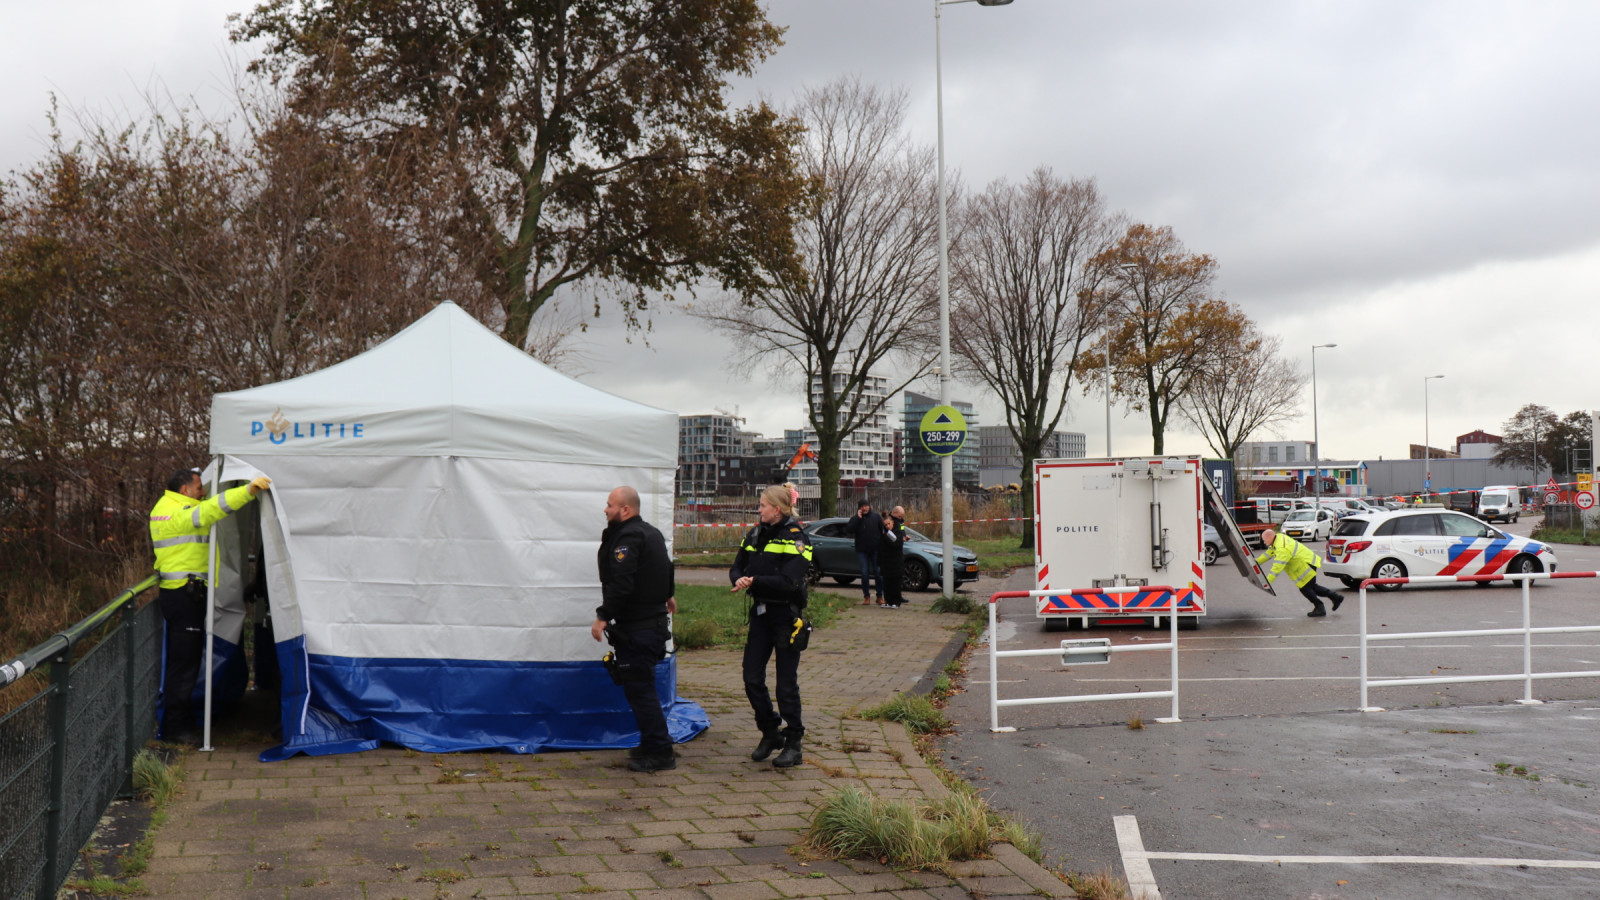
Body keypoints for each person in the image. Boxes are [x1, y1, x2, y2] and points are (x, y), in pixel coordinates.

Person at [149, 467, 271, 743]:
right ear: (184, 490)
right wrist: (247, 490)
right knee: (185, 666)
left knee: (185, 663)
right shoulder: (178, 512)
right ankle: (175, 730)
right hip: (184, 595)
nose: (203, 493)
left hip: (182, 594)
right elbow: (210, 511)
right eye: (199, 488)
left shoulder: (171, 505)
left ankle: (176, 725)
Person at [592, 486, 678, 773]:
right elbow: (666, 567)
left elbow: (622, 582)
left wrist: (603, 616)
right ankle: (652, 743)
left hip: (639, 628)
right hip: (650, 626)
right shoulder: (650, 533)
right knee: (642, 690)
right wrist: (668, 594)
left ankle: (661, 753)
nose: (606, 509)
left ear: (625, 509)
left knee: (641, 692)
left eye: (610, 505)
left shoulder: (627, 537)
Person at [730, 483, 813, 768]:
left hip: (786, 617)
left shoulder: (797, 538)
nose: (759, 509)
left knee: (785, 684)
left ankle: (794, 743)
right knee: (751, 677)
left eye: (763, 505)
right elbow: (737, 565)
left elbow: (789, 581)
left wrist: (754, 581)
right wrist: (739, 579)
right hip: (761, 614)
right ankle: (770, 731)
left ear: (777, 509)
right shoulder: (755, 533)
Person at [1255, 526, 1343, 617]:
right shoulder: (1278, 539)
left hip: (1307, 563)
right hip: (1308, 561)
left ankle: (1320, 606)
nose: (1264, 543)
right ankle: (1335, 598)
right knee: (1311, 587)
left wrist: (1267, 582)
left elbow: (1277, 568)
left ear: (1270, 537)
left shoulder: (1282, 548)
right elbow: (1268, 554)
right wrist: (1257, 562)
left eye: (1264, 540)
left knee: (1305, 588)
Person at [845, 499, 884, 605]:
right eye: (862, 506)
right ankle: (866, 596)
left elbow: (883, 530)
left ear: (869, 506)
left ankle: (880, 596)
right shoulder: (855, 518)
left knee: (878, 573)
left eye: (866, 506)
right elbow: (849, 530)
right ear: (859, 508)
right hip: (862, 550)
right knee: (864, 573)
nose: (864, 508)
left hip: (875, 549)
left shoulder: (876, 517)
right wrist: (858, 518)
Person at [879, 506, 907, 609]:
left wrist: (904, 536)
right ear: (894, 513)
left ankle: (896, 600)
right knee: (887, 582)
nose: (900, 518)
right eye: (899, 516)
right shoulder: (886, 526)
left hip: (895, 560)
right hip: (886, 560)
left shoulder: (900, 522)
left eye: (901, 516)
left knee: (895, 582)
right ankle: (888, 601)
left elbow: (901, 533)